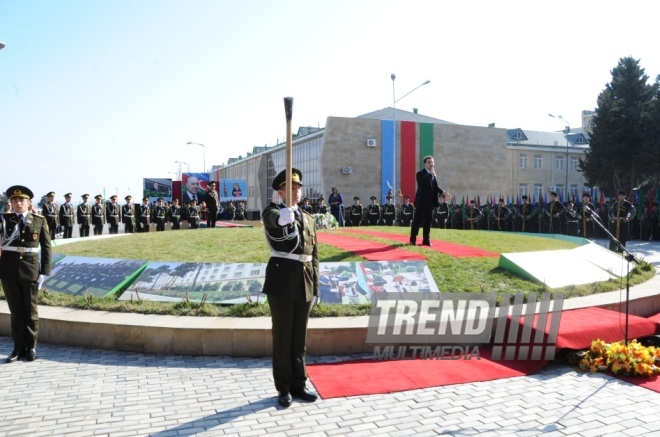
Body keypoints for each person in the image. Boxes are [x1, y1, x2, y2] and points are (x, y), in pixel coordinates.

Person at [262, 168, 319, 408]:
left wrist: (315, 285)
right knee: (283, 337)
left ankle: (299, 383)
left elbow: (314, 254)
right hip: (282, 279)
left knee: (299, 338)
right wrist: (281, 218)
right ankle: (283, 387)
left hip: (304, 279)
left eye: (298, 188)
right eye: (291, 188)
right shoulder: (273, 211)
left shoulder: (308, 217)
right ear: (280, 192)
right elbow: (272, 222)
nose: (296, 192)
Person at [0, 185, 52, 363]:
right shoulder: (3, 220)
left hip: (30, 271)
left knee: (30, 312)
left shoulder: (39, 220)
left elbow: (46, 247)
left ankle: (31, 347)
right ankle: (17, 348)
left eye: (21, 200)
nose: (18, 203)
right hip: (8, 270)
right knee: (16, 312)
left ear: (28, 202)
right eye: (14, 200)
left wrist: (44, 271)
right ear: (11, 203)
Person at [410, 156, 449, 245]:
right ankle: (413, 240)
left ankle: (426, 240)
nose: (431, 164)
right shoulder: (420, 173)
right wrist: (430, 174)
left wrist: (443, 192)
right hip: (421, 202)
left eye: (432, 162)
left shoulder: (433, 175)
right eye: (429, 162)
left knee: (428, 222)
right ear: (425, 163)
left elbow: (435, 187)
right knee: (417, 221)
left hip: (430, 203)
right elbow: (421, 182)